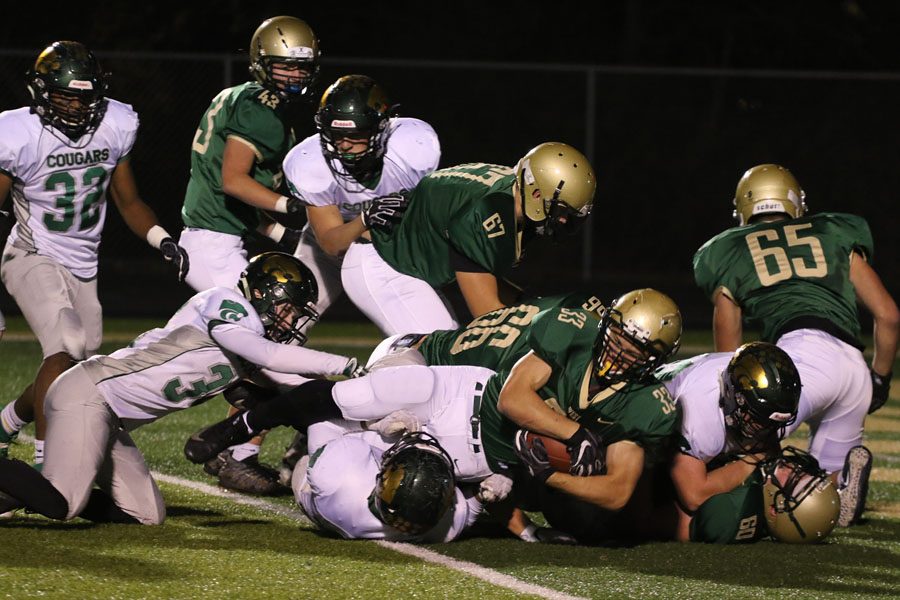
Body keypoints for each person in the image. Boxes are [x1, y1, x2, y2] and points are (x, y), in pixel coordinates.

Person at [0, 252, 358, 523]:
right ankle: (41, 487)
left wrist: (361, 397)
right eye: (288, 310)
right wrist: (344, 364)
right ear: (264, 293)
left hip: (108, 417)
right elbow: (270, 355)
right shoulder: (227, 304)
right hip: (90, 393)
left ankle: (16, 494)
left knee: (144, 513)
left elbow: (292, 384)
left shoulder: (249, 337)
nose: (292, 320)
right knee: (62, 503)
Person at [0, 41, 190, 465]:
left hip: (84, 262)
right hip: (32, 253)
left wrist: (162, 238)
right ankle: (47, 464)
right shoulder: (17, 134)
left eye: (82, 97)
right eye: (64, 95)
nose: (74, 107)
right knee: (64, 346)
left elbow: (128, 201)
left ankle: (7, 423)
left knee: (77, 367)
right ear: (41, 93)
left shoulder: (115, 123)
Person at [693, 163, 900, 526]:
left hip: (802, 355)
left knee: (730, 433)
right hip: (854, 368)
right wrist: (879, 378)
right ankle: (842, 479)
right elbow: (888, 315)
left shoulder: (727, 249)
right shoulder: (833, 232)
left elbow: (730, 355)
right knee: (821, 499)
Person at [176, 16, 321, 489]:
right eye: (284, 67)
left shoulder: (243, 99)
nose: (295, 76)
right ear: (262, 63)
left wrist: (278, 232)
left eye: (302, 68)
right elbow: (233, 181)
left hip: (218, 238)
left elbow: (232, 199)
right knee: (273, 352)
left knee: (254, 352)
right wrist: (292, 208)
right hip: (212, 244)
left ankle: (239, 445)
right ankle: (250, 446)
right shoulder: (260, 107)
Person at [342, 142, 597, 333]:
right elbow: (487, 316)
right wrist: (550, 323)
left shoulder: (513, 198)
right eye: (562, 211)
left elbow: (483, 272)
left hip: (403, 263)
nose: (564, 221)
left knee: (445, 346)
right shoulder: (488, 212)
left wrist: (535, 306)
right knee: (440, 351)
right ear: (538, 193)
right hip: (383, 262)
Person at [492, 289, 683, 542]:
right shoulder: (573, 334)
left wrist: (551, 476)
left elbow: (617, 492)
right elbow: (510, 399)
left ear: (655, 359)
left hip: (525, 454)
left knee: (584, 519)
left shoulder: (646, 405)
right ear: (605, 324)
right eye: (618, 335)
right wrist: (577, 435)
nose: (620, 350)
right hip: (477, 387)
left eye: (636, 347)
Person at [284, 74, 442, 336]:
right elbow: (331, 243)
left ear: (381, 129)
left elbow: (428, 214)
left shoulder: (411, 146)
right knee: (287, 318)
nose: (344, 146)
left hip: (394, 244)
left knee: (430, 320)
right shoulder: (310, 163)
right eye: (335, 135)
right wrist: (365, 219)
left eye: (355, 135)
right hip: (331, 244)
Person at [657, 342, 802, 543]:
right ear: (735, 398)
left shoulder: (745, 376)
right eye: (758, 419)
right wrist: (753, 460)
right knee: (687, 526)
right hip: (633, 441)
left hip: (672, 438)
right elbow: (693, 496)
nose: (766, 429)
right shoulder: (702, 412)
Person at [294, 431, 477, 541]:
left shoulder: (344, 471)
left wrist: (371, 425)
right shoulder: (430, 524)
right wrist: (481, 495)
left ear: (384, 481)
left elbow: (318, 453)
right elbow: (465, 514)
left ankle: (296, 449)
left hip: (308, 487)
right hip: (342, 508)